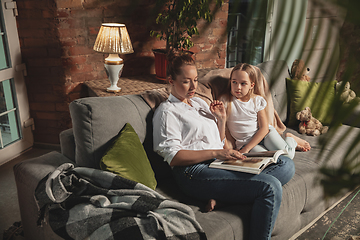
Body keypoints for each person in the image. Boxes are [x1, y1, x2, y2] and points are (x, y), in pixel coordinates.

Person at [152, 52, 295, 240]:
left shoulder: (198, 103)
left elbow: (217, 141)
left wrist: (221, 120)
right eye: (186, 81)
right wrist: (217, 152)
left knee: (286, 165)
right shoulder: (167, 112)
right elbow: (174, 157)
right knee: (270, 187)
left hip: (219, 162)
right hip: (192, 171)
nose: (194, 86)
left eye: (195, 79)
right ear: (171, 80)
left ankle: (223, 198)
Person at [220, 63, 311, 159]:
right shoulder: (225, 101)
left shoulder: (257, 101)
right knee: (272, 159)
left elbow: (264, 128)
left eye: (243, 83)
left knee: (288, 156)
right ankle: (288, 145)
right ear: (230, 82)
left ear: (251, 85)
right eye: (234, 82)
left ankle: (290, 139)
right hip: (246, 144)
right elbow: (223, 129)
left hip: (266, 135)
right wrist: (245, 148)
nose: (238, 87)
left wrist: (246, 149)